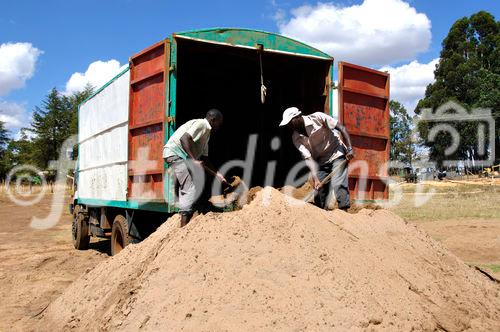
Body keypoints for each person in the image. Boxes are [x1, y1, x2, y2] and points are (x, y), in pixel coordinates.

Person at [279, 107, 354, 211]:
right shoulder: (296, 138)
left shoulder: (318, 117)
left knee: (338, 182)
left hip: (337, 152)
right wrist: (315, 178)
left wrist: (349, 148)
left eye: (290, 123)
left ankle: (344, 210)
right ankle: (322, 214)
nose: (289, 126)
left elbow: (342, 128)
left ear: (298, 117)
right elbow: (308, 158)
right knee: (319, 189)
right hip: (320, 161)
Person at [163, 109, 227, 227]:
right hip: (175, 154)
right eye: (219, 122)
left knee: (194, 185)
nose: (220, 125)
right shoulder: (202, 124)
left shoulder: (206, 135)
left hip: (181, 156)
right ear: (213, 120)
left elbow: (206, 160)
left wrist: (217, 174)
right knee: (189, 188)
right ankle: (183, 229)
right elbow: (184, 139)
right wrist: (193, 160)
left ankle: (190, 215)